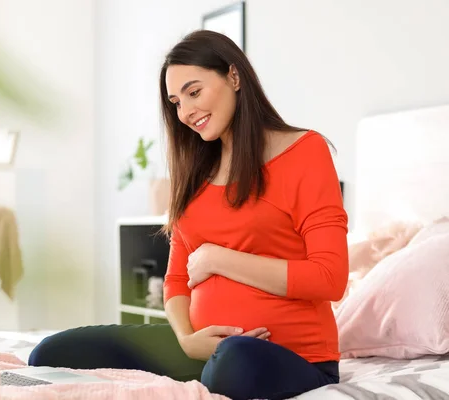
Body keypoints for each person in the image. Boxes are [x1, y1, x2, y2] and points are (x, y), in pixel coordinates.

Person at [28, 30, 348, 400]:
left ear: (234, 76)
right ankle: (205, 366)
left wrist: (218, 258)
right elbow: (176, 280)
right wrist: (186, 340)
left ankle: (211, 370)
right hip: (198, 350)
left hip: (290, 355)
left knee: (233, 359)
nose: (186, 111)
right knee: (52, 352)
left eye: (194, 92)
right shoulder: (196, 171)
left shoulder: (305, 152)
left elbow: (330, 277)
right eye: (176, 102)